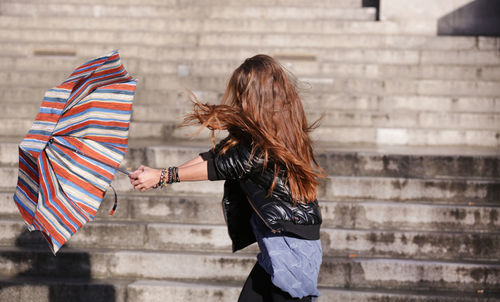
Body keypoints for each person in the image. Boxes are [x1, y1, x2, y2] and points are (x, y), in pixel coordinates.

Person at [129, 54, 324, 302]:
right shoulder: (265, 132)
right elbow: (213, 157)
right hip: (280, 241)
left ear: (256, 96)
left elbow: (222, 166)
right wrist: (159, 176)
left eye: (242, 93)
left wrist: (165, 176)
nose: (239, 100)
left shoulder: (265, 145)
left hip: (290, 245)